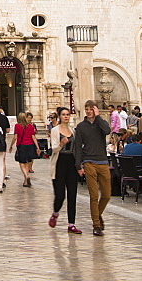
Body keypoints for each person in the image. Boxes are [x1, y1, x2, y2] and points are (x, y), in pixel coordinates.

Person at [74, 99, 111, 236]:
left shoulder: (101, 124)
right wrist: (78, 165)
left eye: (91, 109)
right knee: (94, 195)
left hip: (102, 162)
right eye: (87, 109)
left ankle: (98, 214)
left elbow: (107, 131)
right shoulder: (81, 126)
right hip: (89, 162)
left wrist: (98, 116)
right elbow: (77, 147)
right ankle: (96, 224)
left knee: (107, 195)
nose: (89, 112)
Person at [48, 107, 81, 234]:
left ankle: (71, 223)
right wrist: (61, 144)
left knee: (72, 194)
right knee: (60, 195)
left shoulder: (73, 131)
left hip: (71, 162)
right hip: (59, 162)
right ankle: (55, 212)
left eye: (67, 114)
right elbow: (54, 150)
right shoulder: (55, 131)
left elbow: (76, 149)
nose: (66, 117)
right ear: (59, 116)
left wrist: (79, 165)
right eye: (63, 115)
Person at [10, 111, 40, 186]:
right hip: (30, 145)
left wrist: (11, 145)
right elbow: (33, 137)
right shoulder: (30, 126)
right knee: (27, 162)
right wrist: (37, 147)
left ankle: (27, 176)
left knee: (22, 163)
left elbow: (15, 137)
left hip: (22, 145)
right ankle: (25, 181)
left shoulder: (17, 126)